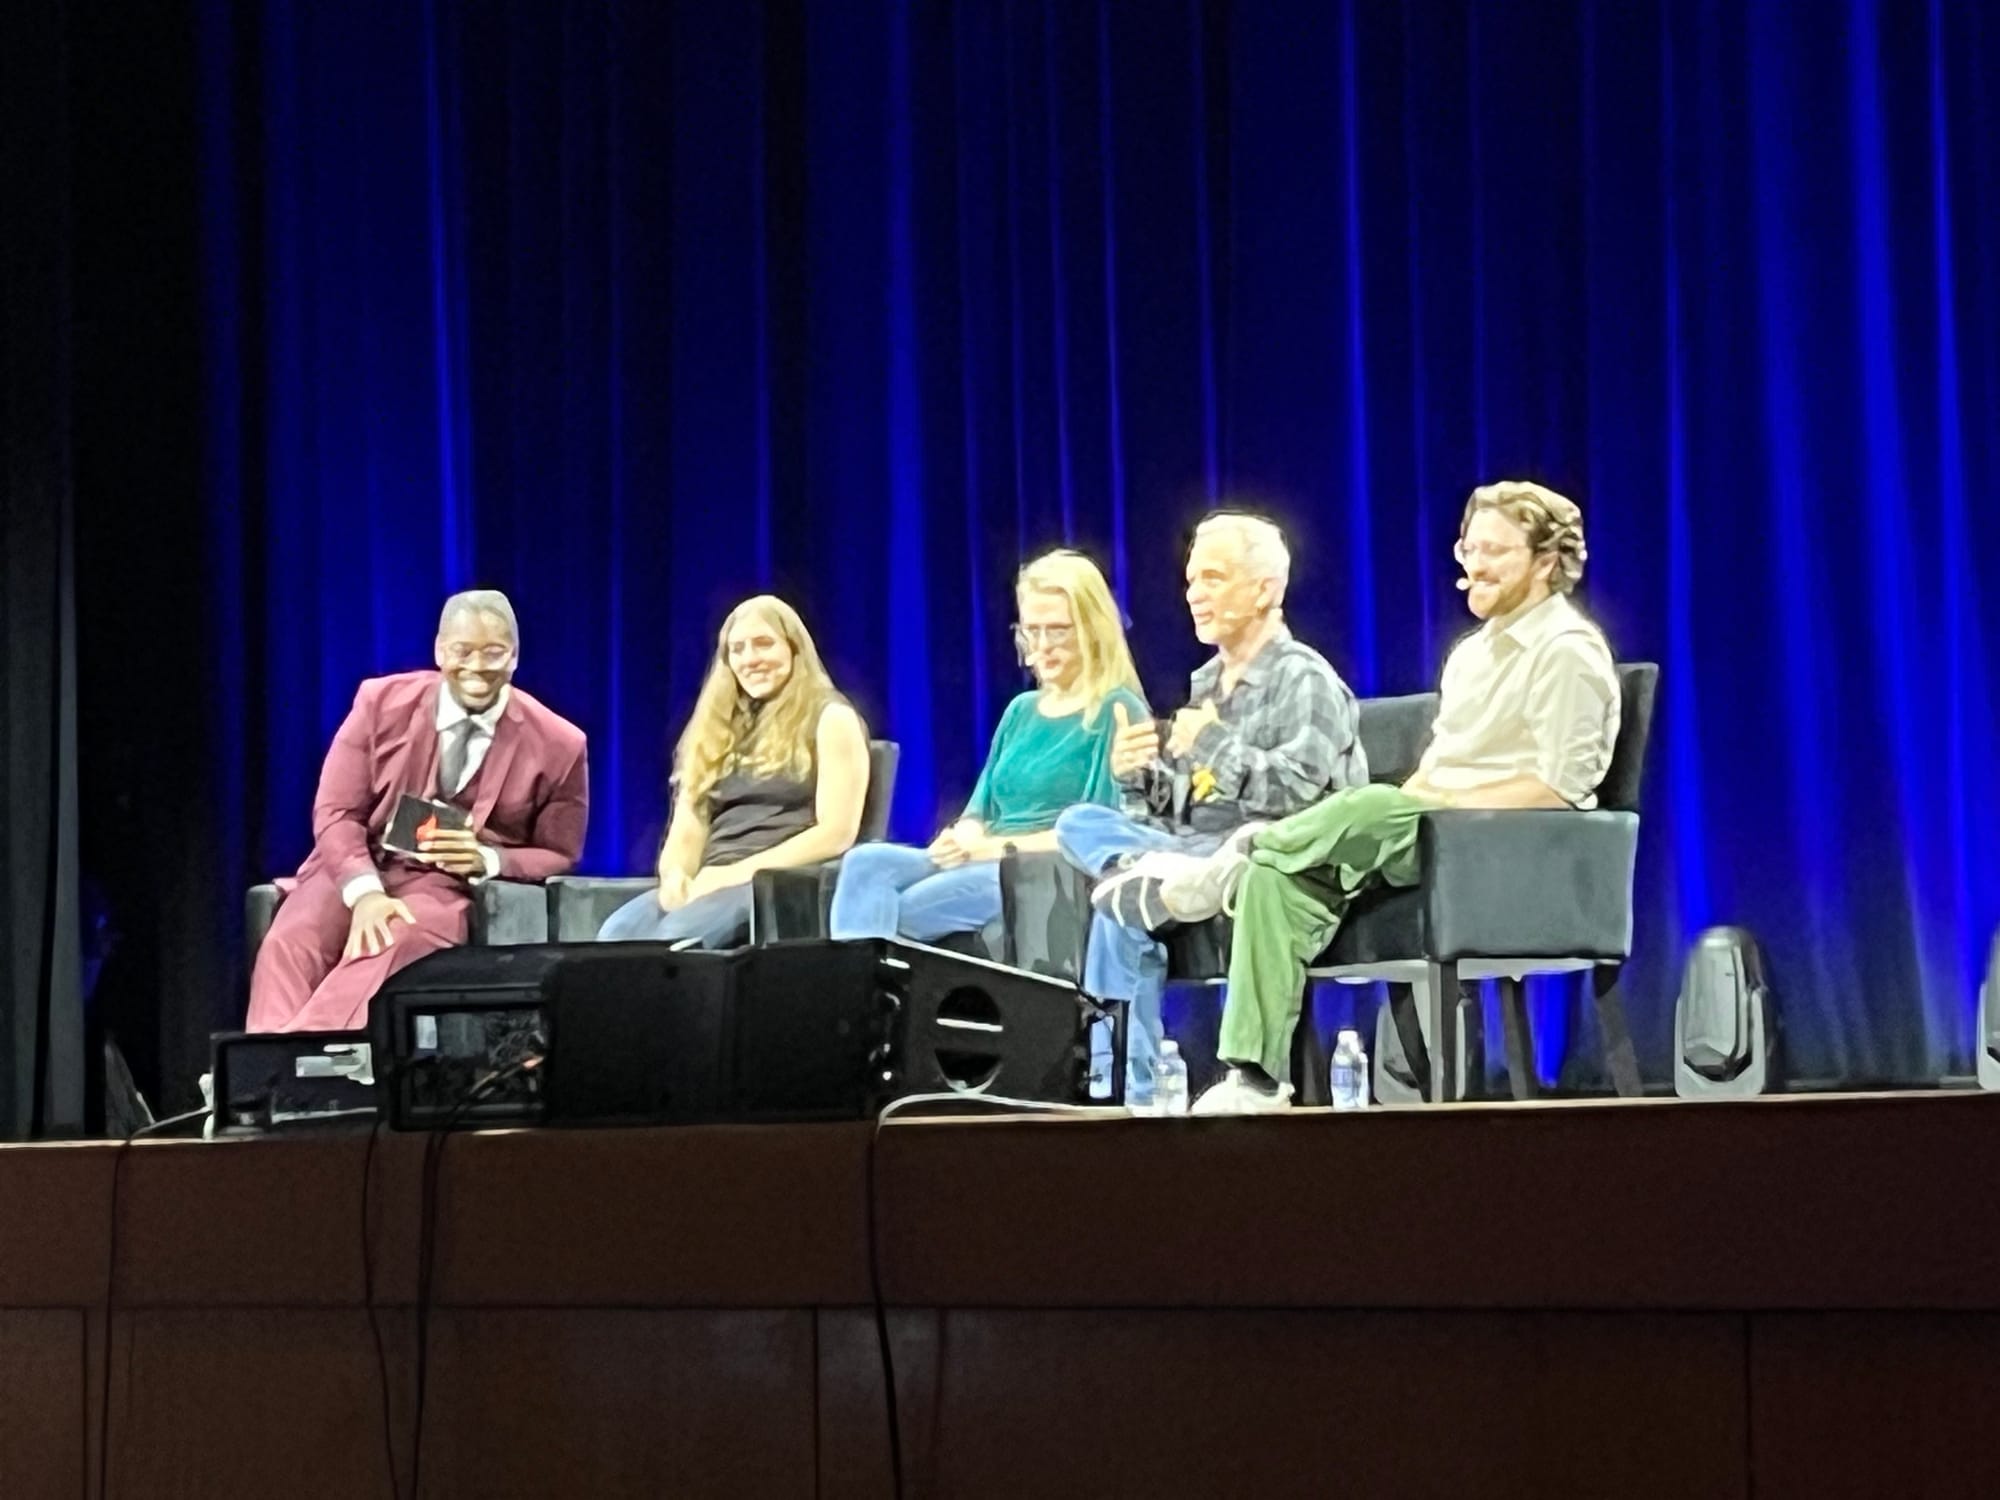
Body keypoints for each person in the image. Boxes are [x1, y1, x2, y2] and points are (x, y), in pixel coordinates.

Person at [1179, 480, 1621, 1114]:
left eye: (1495, 551)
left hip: (1515, 848)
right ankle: (1256, 1077)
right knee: (1274, 883)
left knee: (1368, 806)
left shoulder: (1568, 651)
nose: (1474, 564)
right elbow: (1430, 775)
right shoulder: (1470, 655)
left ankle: (1247, 850)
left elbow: (1558, 789)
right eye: (1469, 548)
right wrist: (1413, 806)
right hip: (1430, 832)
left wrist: (1443, 809)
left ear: (1546, 561)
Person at [1052, 512, 1367, 1104]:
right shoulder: (1208, 683)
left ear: (1265, 590)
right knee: (1082, 829)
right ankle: (1123, 1094)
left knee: (1121, 903)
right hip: (1195, 854)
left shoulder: (1304, 678)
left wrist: (1214, 742)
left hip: (1274, 857)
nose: (1194, 594)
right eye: (1192, 580)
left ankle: (1125, 1083)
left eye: (1214, 579)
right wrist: (1139, 776)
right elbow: (1185, 807)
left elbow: (1299, 796)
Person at [246, 589, 589, 1033]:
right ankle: (261, 1067)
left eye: (494, 652)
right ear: (440, 651)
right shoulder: (379, 704)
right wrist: (365, 893)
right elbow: (337, 812)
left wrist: (487, 859)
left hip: (441, 885)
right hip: (359, 863)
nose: (477, 666)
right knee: (291, 942)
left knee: (391, 938)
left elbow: (560, 853)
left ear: (515, 657)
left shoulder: (560, 744)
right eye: (462, 651)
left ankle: (304, 1056)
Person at [829, 549, 1147, 945]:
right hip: (982, 856)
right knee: (866, 863)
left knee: (895, 909)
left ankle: (862, 982)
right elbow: (980, 809)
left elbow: (1096, 837)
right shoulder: (1021, 710)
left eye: (1058, 631)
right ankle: (864, 981)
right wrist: (960, 837)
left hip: (1039, 873)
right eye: (1031, 631)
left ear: (1093, 630)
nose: (1042, 646)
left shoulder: (1117, 710)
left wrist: (988, 849)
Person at [597, 595, 870, 946]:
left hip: (772, 881)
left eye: (763, 644)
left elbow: (836, 833)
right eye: (737, 649)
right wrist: (675, 876)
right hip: (709, 881)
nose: (750, 659)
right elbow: (688, 827)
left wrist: (734, 874)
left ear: (794, 650)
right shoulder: (714, 728)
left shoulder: (831, 718)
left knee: (677, 941)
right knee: (616, 936)